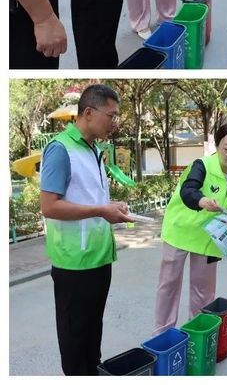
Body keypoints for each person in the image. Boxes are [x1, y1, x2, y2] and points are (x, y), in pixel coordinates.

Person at [40, 84, 129, 375]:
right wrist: (101, 210)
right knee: (75, 343)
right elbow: (49, 206)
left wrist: (109, 205)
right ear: (88, 112)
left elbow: (88, 198)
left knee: (92, 339)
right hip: (74, 264)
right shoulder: (60, 149)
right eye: (111, 115)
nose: (114, 122)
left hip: (99, 258)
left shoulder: (94, 149)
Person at [154, 123, 227, 335]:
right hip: (180, 232)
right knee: (169, 285)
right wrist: (202, 200)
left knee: (203, 290)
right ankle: (162, 333)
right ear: (217, 146)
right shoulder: (202, 165)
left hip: (208, 238)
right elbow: (188, 190)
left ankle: (197, 333)